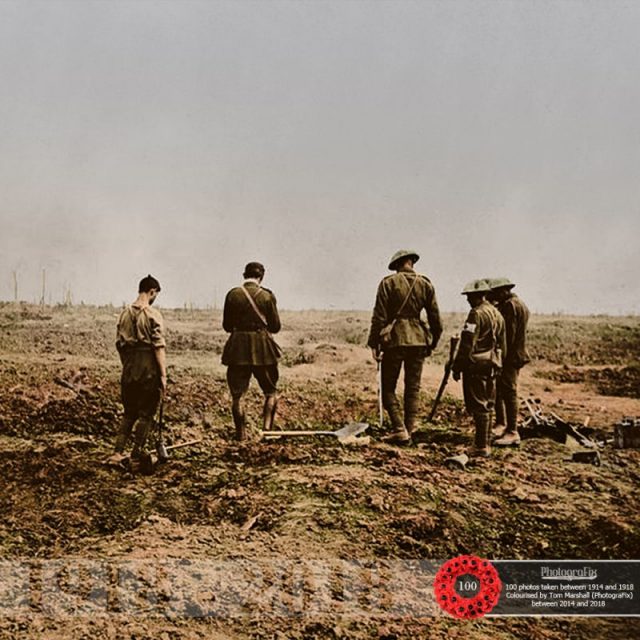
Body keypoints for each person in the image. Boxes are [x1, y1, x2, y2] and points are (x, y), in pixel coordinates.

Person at [367, 249, 443, 445]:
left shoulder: (388, 283)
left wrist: (373, 343)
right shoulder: (425, 284)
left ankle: (400, 429)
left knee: (388, 388)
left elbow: (379, 317)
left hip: (395, 341)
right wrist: (432, 342)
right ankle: (410, 428)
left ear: (397, 265)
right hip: (418, 340)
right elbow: (436, 320)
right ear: (411, 262)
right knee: (413, 388)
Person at [222, 262, 281, 441]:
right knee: (270, 391)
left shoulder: (232, 295)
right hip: (263, 349)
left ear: (244, 275)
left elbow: (226, 326)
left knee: (237, 395)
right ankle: (267, 432)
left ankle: (240, 435)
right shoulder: (267, 296)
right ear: (261, 277)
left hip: (238, 349)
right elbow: (275, 326)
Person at [112, 274, 167, 463]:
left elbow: (119, 345)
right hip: (148, 367)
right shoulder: (153, 314)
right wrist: (163, 376)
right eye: (155, 295)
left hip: (129, 366)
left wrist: (127, 366)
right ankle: (138, 450)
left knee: (129, 412)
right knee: (146, 413)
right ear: (152, 292)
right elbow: (158, 348)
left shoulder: (124, 313)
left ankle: (118, 451)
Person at [452, 279, 505, 457]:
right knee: (489, 404)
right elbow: (502, 344)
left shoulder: (476, 314)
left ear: (476, 296)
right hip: (492, 363)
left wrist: (457, 366)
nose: (467, 300)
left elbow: (467, 343)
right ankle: (485, 443)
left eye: (469, 297)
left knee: (478, 404)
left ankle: (481, 446)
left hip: (477, 364)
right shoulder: (497, 314)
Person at [488, 277, 530, 446]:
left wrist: (500, 357)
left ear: (504, 290)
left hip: (510, 356)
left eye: (497, 292)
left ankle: (512, 431)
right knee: (503, 390)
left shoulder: (509, 306)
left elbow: (507, 336)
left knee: (509, 391)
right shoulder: (520, 303)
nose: (495, 296)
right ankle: (504, 425)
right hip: (516, 354)